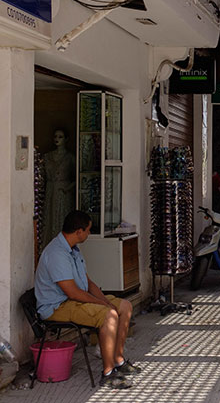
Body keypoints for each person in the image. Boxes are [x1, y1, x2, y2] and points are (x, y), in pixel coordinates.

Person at [35, 211, 140, 389]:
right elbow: (73, 293)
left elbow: (88, 283)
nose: (89, 234)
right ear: (78, 231)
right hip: (58, 306)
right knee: (109, 316)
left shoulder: (73, 250)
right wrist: (103, 305)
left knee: (125, 306)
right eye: (88, 230)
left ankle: (118, 360)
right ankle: (107, 373)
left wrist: (105, 301)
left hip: (75, 299)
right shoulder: (56, 254)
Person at [43, 128, 76, 249]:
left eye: (60, 137)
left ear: (66, 139)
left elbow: (76, 177)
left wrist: (67, 188)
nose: (57, 139)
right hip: (50, 191)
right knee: (50, 218)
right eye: (55, 136)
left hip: (63, 193)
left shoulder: (70, 158)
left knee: (61, 218)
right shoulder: (47, 156)